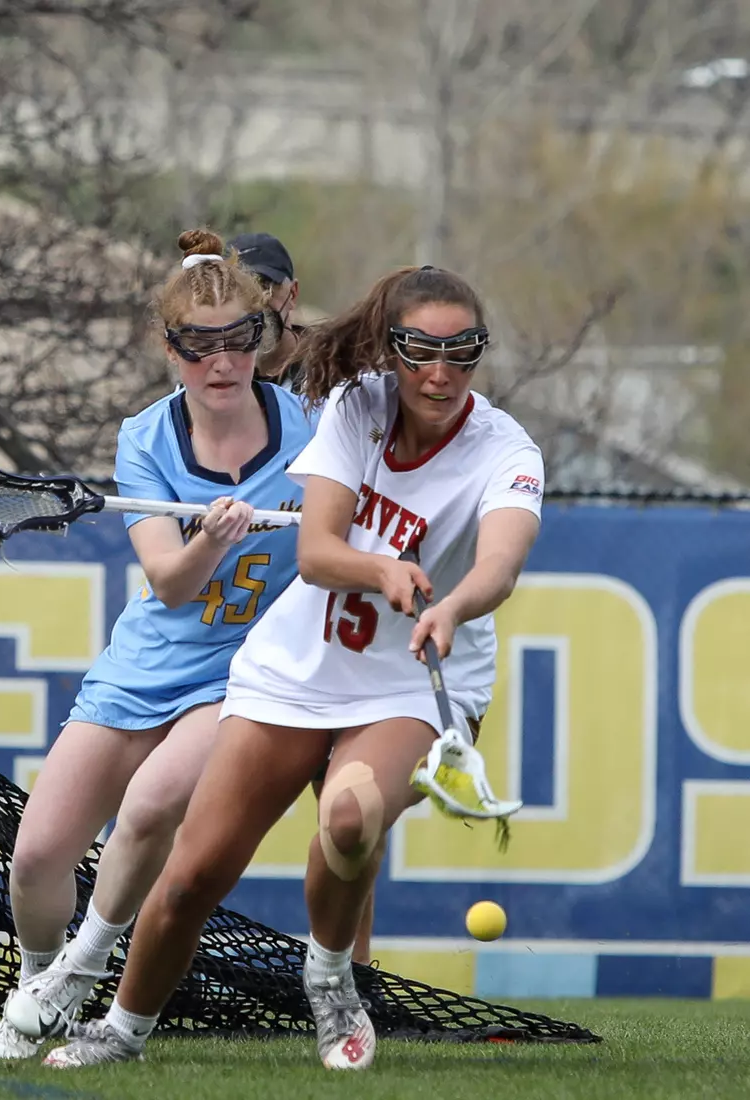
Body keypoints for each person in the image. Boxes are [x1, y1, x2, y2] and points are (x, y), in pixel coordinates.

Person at [46, 265, 542, 1071]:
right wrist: (382, 570)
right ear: (392, 350)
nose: (441, 371)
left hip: (406, 682)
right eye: (421, 350)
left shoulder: (507, 448)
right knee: (193, 876)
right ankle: (124, 1029)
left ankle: (330, 975)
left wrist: (453, 606)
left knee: (350, 821)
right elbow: (315, 555)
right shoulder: (354, 408)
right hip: (296, 668)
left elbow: (502, 562)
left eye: (463, 351)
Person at [0, 229, 315, 1060]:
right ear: (172, 350)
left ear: (260, 338)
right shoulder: (147, 440)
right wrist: (214, 540)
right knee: (36, 860)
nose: (224, 363)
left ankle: (82, 975)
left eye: (241, 339)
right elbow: (169, 580)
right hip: (147, 666)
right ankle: (37, 979)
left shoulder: (311, 434)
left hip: (242, 675)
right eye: (201, 346)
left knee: (155, 804)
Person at [229, 232, 306, 390]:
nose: (256, 302)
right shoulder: (215, 384)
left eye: (265, 286)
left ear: (292, 294)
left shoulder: (330, 374)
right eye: (238, 290)